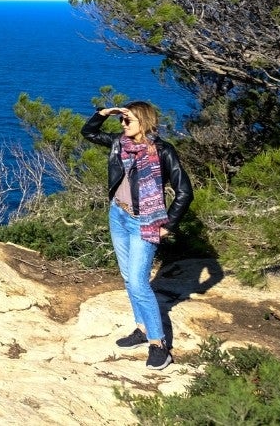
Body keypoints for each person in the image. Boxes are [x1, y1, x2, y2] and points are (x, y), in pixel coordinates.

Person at [82, 100, 193, 371]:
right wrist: (103, 113)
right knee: (129, 278)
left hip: (144, 221)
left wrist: (169, 224)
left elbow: (184, 192)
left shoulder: (164, 151)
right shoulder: (120, 144)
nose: (122, 124)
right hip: (117, 215)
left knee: (140, 283)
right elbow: (89, 133)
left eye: (127, 120)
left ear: (143, 121)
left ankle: (159, 345)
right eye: (121, 120)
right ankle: (142, 328)